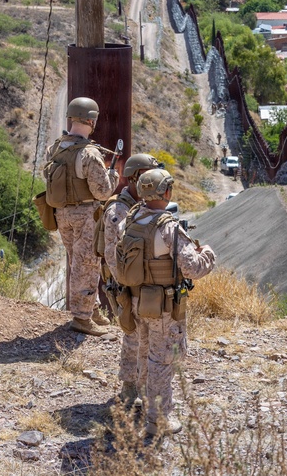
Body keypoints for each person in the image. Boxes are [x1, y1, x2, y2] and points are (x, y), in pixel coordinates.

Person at [119, 169, 216, 436]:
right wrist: (207, 252)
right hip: (162, 306)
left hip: (135, 300)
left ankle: (144, 402)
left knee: (143, 352)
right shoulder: (168, 227)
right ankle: (157, 420)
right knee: (162, 361)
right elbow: (193, 268)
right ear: (167, 193)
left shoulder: (130, 218)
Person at [45, 97, 119, 336]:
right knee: (87, 265)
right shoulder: (89, 154)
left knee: (77, 263)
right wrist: (113, 176)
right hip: (86, 215)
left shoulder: (55, 148)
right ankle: (82, 318)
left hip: (61, 213)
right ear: (91, 120)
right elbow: (103, 191)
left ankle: (92, 309)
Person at [95, 153, 162, 408]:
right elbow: (114, 256)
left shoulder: (140, 207)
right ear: (134, 179)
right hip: (127, 286)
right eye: (147, 177)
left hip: (141, 284)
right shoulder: (118, 210)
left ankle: (145, 388)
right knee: (133, 335)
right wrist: (131, 283)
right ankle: (129, 387)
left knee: (147, 338)